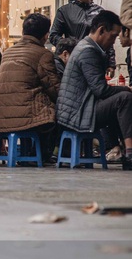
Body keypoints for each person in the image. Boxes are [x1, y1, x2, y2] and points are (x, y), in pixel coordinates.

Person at [57, 10, 132, 170]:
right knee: (125, 98)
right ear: (101, 30)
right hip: (78, 113)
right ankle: (130, 152)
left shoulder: (86, 47)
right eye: (113, 36)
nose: (113, 42)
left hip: (78, 108)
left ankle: (122, 149)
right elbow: (101, 90)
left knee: (120, 101)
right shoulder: (88, 51)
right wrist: (126, 88)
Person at [0, 13, 61, 163]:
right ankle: (42, 155)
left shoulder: (8, 52)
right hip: (24, 117)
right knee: (53, 113)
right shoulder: (43, 54)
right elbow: (54, 88)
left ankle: (29, 154)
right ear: (46, 35)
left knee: (30, 104)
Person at [49, 0, 115, 73]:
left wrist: (111, 63)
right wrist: (71, 45)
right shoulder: (64, 11)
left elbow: (108, 39)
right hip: (72, 60)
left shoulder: (100, 12)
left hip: (95, 61)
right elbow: (53, 35)